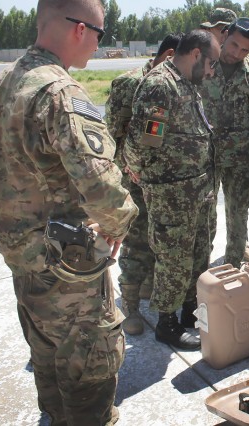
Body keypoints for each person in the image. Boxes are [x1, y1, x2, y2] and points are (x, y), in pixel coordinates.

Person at [0, 0, 138, 424]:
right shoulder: (58, 91)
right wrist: (121, 222)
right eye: (100, 34)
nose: (99, 45)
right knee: (89, 368)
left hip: (23, 257)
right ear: (78, 29)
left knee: (46, 353)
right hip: (67, 265)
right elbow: (101, 186)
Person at [124, 30, 220, 350]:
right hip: (172, 194)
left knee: (197, 255)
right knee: (173, 261)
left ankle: (191, 312)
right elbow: (144, 142)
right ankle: (167, 323)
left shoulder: (187, 85)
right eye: (210, 63)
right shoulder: (160, 86)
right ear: (195, 54)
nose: (211, 71)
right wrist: (140, 172)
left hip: (196, 189)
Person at [105, 32, 183, 336]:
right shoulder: (129, 83)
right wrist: (130, 167)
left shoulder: (174, 84)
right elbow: (114, 134)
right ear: (169, 54)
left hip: (161, 178)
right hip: (134, 175)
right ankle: (131, 305)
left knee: (158, 237)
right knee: (136, 239)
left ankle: (149, 286)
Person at [200, 17, 249, 268]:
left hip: (241, 160)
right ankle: (199, 272)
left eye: (245, 50)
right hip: (204, 158)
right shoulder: (202, 67)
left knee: (238, 217)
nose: (236, 53)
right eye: (233, 45)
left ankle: (232, 267)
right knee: (204, 217)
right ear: (224, 35)